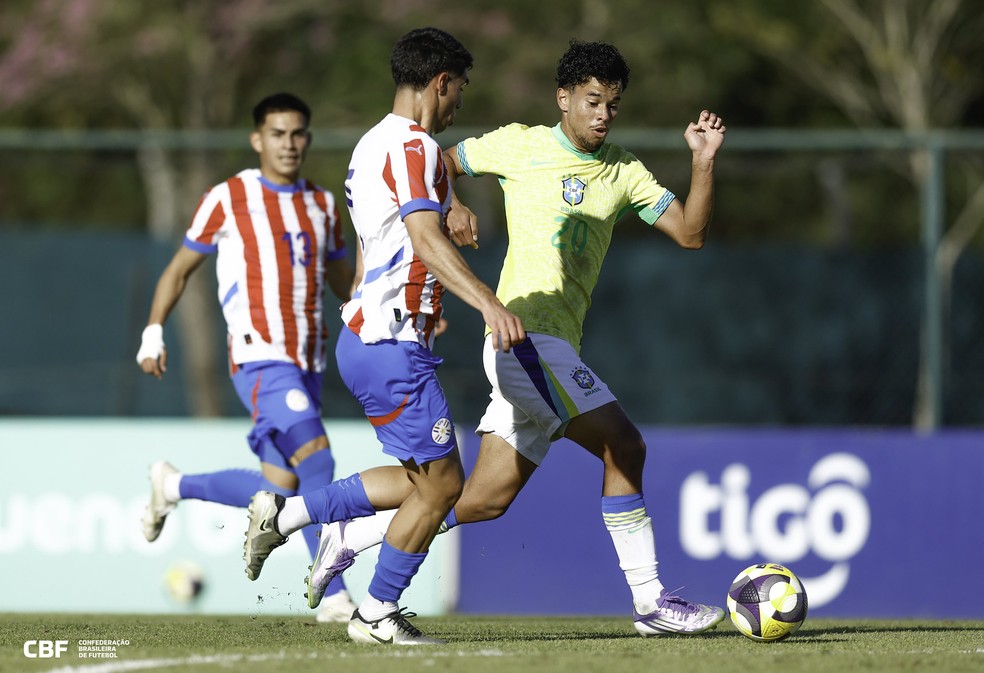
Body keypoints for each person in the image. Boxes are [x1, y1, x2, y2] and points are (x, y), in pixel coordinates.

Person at [305, 39, 729, 637]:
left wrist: (704, 160)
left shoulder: (625, 171)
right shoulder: (519, 144)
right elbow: (436, 164)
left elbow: (689, 232)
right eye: (591, 101)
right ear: (563, 99)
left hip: (554, 348)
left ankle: (355, 533)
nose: (603, 114)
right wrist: (449, 206)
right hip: (525, 338)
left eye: (612, 104)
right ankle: (652, 601)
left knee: (483, 499)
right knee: (624, 447)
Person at [241, 27, 525, 645]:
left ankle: (290, 515)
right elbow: (421, 238)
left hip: (375, 338)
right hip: (390, 343)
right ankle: (375, 614)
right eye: (459, 92)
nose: (459, 106)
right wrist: (488, 303)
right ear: (441, 82)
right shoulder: (415, 146)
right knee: (446, 485)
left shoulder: (374, 144)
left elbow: (398, 234)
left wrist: (451, 212)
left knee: (425, 479)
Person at [135, 92, 358, 623]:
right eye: (277, 134)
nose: (289, 143)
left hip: (308, 361)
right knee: (319, 461)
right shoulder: (229, 196)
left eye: (298, 133)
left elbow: (340, 279)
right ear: (258, 139)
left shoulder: (323, 206)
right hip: (259, 358)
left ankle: (172, 486)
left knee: (278, 490)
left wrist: (382, 313)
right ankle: (335, 596)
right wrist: (152, 330)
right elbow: (179, 268)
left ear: (307, 138)